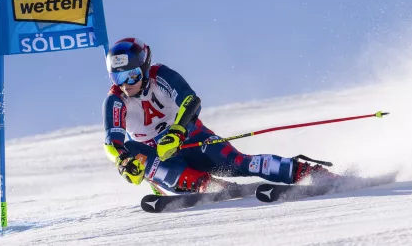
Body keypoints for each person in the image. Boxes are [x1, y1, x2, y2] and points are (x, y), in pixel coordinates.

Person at [102, 38, 336, 195]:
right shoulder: (115, 100)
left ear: (143, 68)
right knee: (132, 149)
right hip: (161, 157)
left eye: (131, 76)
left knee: (241, 164)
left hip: (190, 137)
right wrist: (124, 163)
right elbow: (112, 142)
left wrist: (177, 132)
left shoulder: (160, 75)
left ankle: (303, 171)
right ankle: (207, 185)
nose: (125, 85)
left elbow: (191, 101)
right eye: (117, 78)